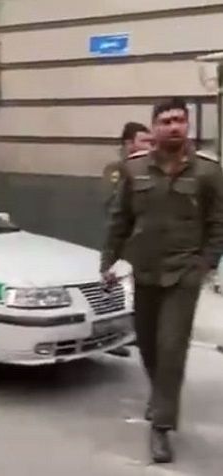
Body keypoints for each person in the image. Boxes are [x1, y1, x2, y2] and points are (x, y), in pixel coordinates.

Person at [100, 97, 223, 464]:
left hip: (183, 274)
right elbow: (120, 218)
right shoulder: (135, 169)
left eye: (179, 120)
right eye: (166, 121)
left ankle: (161, 426)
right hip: (145, 270)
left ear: (187, 126)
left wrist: (206, 264)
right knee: (149, 345)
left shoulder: (208, 172)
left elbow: (218, 224)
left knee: (171, 348)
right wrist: (108, 261)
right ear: (154, 128)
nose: (173, 126)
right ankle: (161, 396)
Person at [103, 122, 153, 358]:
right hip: (122, 240)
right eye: (144, 141)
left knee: (135, 291)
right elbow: (113, 205)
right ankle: (111, 338)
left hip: (140, 241)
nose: (149, 146)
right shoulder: (119, 170)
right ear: (129, 143)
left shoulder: (145, 168)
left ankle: (133, 332)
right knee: (115, 290)